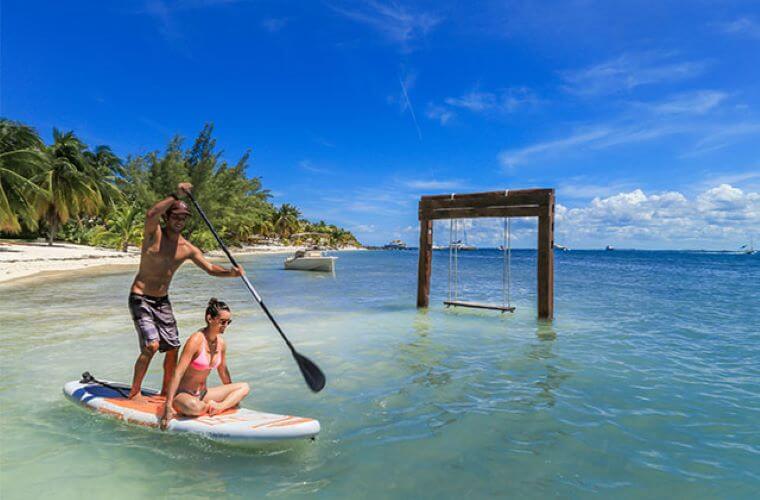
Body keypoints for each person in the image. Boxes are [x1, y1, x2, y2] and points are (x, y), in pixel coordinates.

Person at [128, 182, 244, 401]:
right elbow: (151, 212)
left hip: (162, 301)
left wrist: (231, 273)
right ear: (167, 217)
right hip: (140, 297)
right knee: (152, 345)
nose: (180, 221)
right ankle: (135, 393)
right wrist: (175, 194)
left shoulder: (187, 248)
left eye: (184, 218)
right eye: (176, 217)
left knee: (173, 347)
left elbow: (210, 268)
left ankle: (165, 392)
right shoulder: (154, 235)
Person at [160, 298, 250, 430]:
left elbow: (223, 372)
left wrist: (233, 399)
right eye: (222, 322)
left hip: (204, 394)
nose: (225, 325)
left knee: (244, 387)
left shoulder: (221, 343)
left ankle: (219, 407)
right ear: (210, 318)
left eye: (228, 322)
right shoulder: (196, 340)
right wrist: (168, 406)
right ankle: (210, 406)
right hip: (184, 395)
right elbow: (177, 373)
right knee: (194, 407)